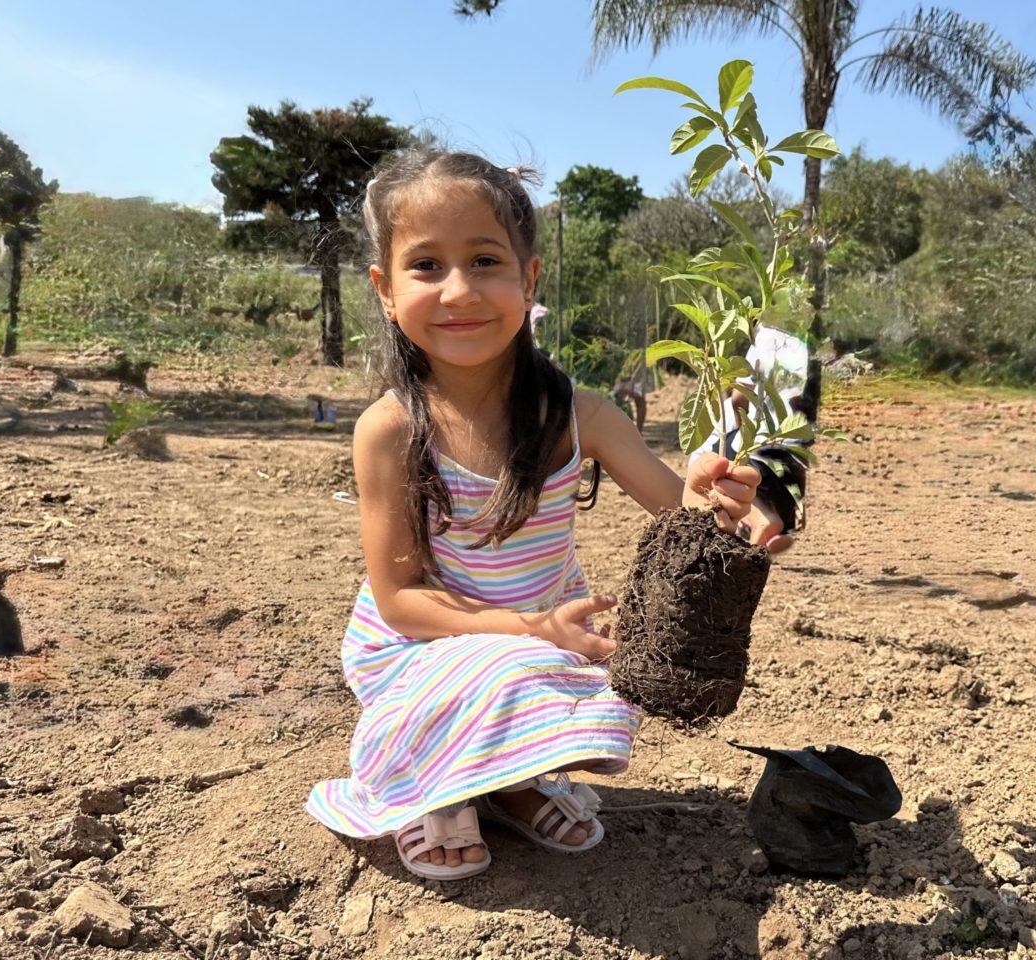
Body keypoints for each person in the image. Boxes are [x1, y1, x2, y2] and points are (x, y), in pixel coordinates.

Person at [305, 150, 761, 880]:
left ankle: (511, 786)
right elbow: (401, 602)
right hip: (424, 645)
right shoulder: (388, 429)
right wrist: (529, 629)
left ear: (530, 278)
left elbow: (688, 518)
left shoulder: (585, 418)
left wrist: (719, 495)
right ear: (385, 290)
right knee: (512, 663)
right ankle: (436, 787)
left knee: (585, 674)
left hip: (546, 634)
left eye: (485, 260)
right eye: (426, 266)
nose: (460, 290)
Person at [690, 325, 811, 556]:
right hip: (790, 451)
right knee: (765, 495)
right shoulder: (807, 348)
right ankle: (770, 529)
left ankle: (758, 527)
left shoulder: (767, 336)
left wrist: (741, 431)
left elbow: (739, 397)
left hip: (761, 442)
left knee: (717, 473)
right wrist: (800, 502)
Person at [610, 347, 650, 434]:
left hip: (637, 351)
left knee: (639, 396)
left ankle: (638, 432)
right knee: (614, 395)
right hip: (616, 352)